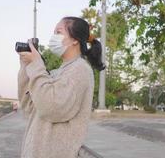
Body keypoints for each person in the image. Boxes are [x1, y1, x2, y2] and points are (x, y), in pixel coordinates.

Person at [17, 16, 105, 158]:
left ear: (75, 39)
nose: (53, 37)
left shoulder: (80, 69)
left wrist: (37, 66)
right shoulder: (57, 72)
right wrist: (26, 67)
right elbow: (29, 108)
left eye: (58, 32)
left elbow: (51, 107)